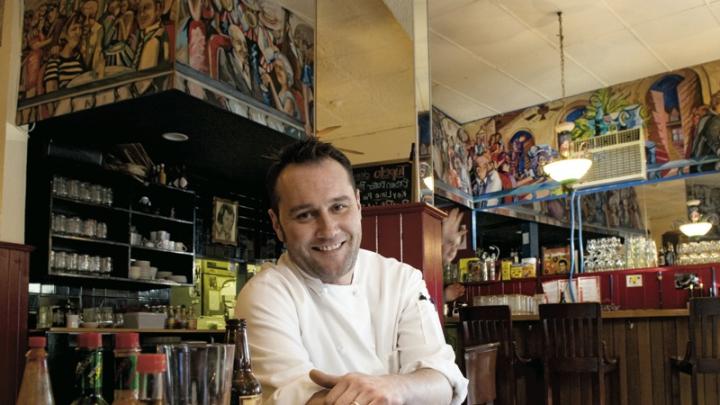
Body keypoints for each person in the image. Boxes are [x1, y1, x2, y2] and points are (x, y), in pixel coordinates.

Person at [235, 139, 467, 404]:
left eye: (338, 207)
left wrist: (394, 388)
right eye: (305, 215)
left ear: (358, 205)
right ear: (277, 224)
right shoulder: (266, 295)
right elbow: (293, 397)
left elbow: (443, 380)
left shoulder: (401, 280)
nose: (328, 230)